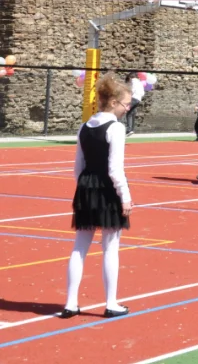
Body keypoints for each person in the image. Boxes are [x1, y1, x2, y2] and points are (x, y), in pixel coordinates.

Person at [62, 74, 134, 319]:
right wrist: (125, 196)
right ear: (113, 102)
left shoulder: (85, 126)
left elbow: (77, 167)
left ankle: (70, 303)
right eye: (126, 104)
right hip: (107, 189)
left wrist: (83, 188)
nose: (127, 109)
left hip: (85, 187)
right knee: (110, 247)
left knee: (79, 247)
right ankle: (111, 302)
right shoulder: (116, 127)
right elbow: (115, 168)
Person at [124, 72, 145, 137]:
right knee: (131, 114)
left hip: (133, 98)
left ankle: (128, 129)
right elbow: (143, 93)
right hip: (138, 99)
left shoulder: (133, 81)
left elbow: (132, 90)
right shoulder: (140, 82)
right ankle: (131, 130)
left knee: (124, 111)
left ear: (130, 78)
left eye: (128, 80)